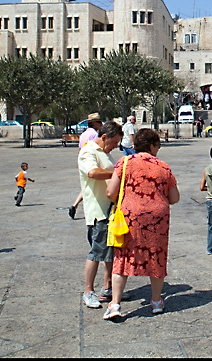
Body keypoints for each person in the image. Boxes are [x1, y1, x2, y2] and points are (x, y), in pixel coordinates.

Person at [103, 128, 180, 320]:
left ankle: (115, 304)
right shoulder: (163, 166)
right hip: (157, 220)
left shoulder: (125, 162)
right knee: (157, 257)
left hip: (130, 218)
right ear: (152, 146)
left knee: (123, 259)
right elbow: (174, 198)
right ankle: (156, 302)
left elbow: (111, 192)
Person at [77, 121, 122, 309]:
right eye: (114, 142)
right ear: (104, 137)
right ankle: (88, 291)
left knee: (109, 252)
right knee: (96, 252)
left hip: (109, 211)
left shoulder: (104, 153)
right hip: (98, 213)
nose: (115, 147)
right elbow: (93, 172)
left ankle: (107, 288)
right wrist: (116, 176)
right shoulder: (88, 152)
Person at [68, 113, 104, 219]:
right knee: (90, 187)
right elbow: (95, 149)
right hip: (92, 162)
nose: (101, 124)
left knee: (86, 185)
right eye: (99, 122)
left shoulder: (83, 134)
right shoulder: (94, 135)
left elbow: (80, 149)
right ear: (94, 124)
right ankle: (77, 205)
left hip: (83, 161)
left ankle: (75, 205)